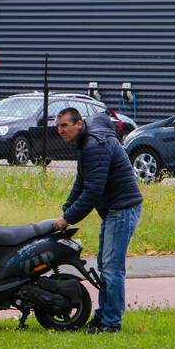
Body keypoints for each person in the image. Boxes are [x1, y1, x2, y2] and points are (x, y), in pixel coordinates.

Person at [52, 108, 142, 334]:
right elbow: (81, 181)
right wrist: (66, 209)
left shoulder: (94, 146)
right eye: (58, 125)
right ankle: (104, 315)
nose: (59, 130)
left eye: (64, 125)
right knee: (104, 265)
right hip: (113, 209)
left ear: (79, 124)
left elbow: (92, 191)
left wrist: (67, 219)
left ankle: (111, 323)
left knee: (112, 268)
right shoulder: (86, 143)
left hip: (122, 208)